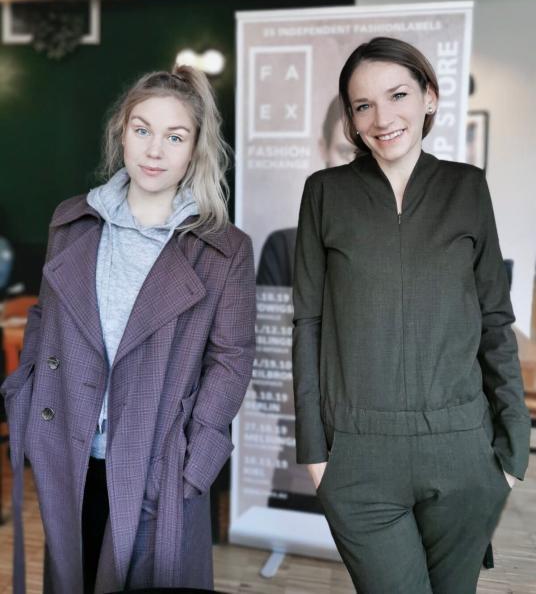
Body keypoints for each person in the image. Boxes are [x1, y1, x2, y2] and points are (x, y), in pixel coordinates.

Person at [1, 67, 256, 594]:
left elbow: (232, 361)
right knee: (72, 577)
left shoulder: (222, 248)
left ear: (195, 149)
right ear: (121, 133)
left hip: (160, 460)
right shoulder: (72, 221)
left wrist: (194, 461)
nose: (154, 150)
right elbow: (45, 324)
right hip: (69, 448)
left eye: (174, 136)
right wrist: (25, 398)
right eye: (142, 130)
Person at [292, 37, 530, 594]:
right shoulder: (324, 194)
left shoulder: (467, 188)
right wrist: (315, 454)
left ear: (429, 96)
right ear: (350, 119)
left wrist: (512, 445)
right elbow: (308, 323)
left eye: (397, 94)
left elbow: (496, 318)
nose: (382, 118)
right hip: (358, 456)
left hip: (463, 450)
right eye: (362, 105)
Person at [256, 96, 355, 287]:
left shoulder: (395, 244)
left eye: (362, 154)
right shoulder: (283, 249)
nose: (353, 165)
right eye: (344, 152)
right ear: (323, 149)